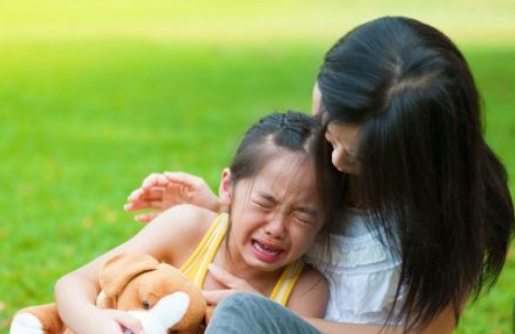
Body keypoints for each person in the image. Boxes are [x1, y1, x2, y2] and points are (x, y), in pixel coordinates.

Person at [124, 16, 515, 334]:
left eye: (360, 157)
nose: (337, 161)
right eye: (329, 135)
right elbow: (287, 229)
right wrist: (218, 210)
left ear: (415, 159)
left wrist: (271, 315)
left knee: (240, 317)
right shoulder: (320, 165)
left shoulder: (459, 213)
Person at [54, 111, 329, 334]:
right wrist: (98, 325)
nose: (277, 228)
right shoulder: (189, 228)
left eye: (302, 215)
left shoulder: (306, 288)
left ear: (325, 221)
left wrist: (256, 310)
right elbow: (75, 282)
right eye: (264, 204)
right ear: (227, 187)